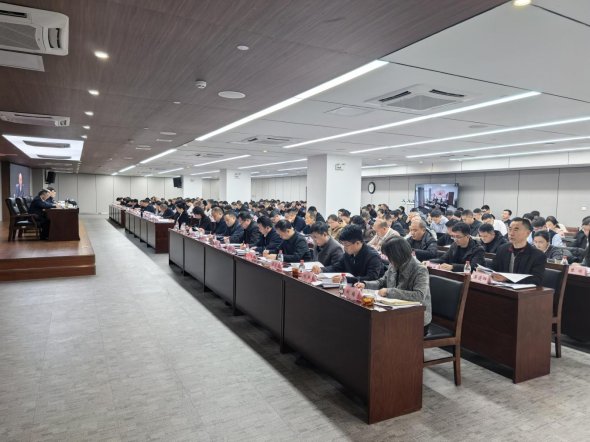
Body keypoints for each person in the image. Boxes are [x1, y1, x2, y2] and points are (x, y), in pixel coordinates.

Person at [355, 237, 431, 333]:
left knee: (379, 329)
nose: (388, 259)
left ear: (397, 254)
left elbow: (419, 296)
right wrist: (365, 285)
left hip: (416, 318)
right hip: (394, 311)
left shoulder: (420, 269)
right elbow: (382, 282)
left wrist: (389, 292)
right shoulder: (394, 263)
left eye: (389, 256)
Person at [312, 225, 383, 284]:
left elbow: (371, 278)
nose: (344, 248)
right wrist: (321, 270)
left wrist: (346, 279)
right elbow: (338, 266)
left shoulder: (373, 256)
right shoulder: (349, 253)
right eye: (343, 244)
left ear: (357, 243)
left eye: (346, 245)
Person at [491, 217, 546, 286]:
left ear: (527, 233)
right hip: (500, 288)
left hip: (523, 291)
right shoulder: (502, 249)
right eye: (510, 229)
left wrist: (508, 278)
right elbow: (493, 269)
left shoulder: (538, 255)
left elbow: (536, 280)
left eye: (516, 230)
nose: (511, 233)